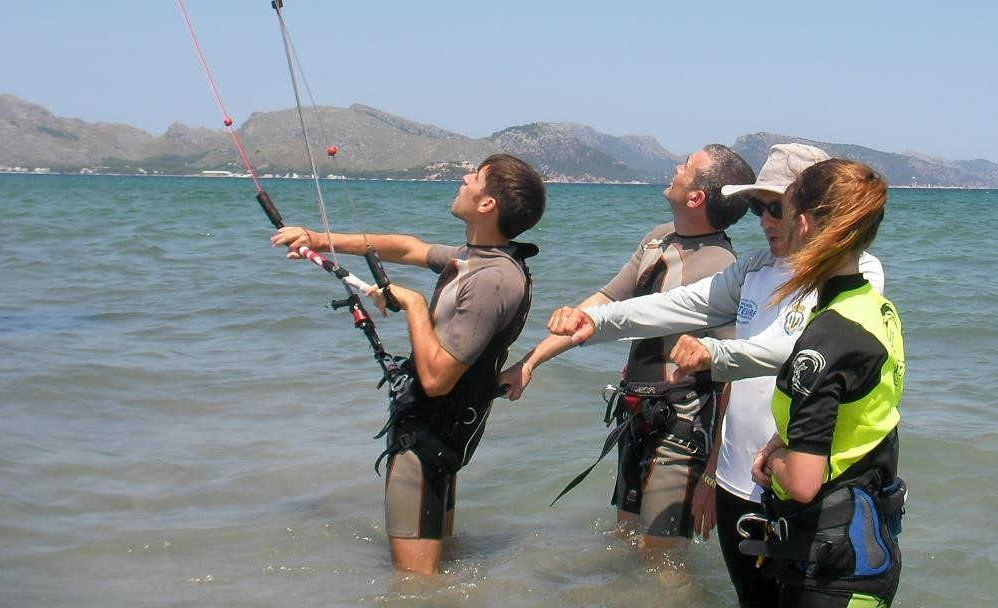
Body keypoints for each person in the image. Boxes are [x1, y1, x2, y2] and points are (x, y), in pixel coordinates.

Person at [546, 143, 884, 606]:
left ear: (811, 213)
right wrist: (599, 322)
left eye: (775, 206)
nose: (763, 219)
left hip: (803, 485)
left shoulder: (859, 274)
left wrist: (716, 354)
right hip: (734, 482)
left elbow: (801, 351)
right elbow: (680, 304)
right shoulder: (754, 268)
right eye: (755, 206)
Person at [271, 153, 546, 575]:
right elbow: (408, 247)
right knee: (437, 571)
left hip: (429, 436)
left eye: (474, 177)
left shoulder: (492, 279)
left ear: (488, 204)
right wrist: (317, 238)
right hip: (440, 434)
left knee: (414, 587)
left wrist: (414, 303)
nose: (464, 179)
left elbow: (436, 379)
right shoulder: (476, 258)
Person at [500, 144, 755, 566]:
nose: (675, 167)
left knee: (661, 565)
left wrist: (712, 473)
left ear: (697, 198)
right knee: (626, 549)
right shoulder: (657, 238)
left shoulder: (722, 267)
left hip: (682, 427)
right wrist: (528, 363)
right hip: (636, 413)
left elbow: (734, 376)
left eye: (686, 167)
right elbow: (605, 303)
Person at [748, 159, 904, 607]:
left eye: (780, 212)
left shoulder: (830, 334)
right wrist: (788, 437)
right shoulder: (877, 310)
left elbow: (802, 483)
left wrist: (771, 462)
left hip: (831, 569)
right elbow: (863, 410)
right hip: (869, 541)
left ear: (802, 223)